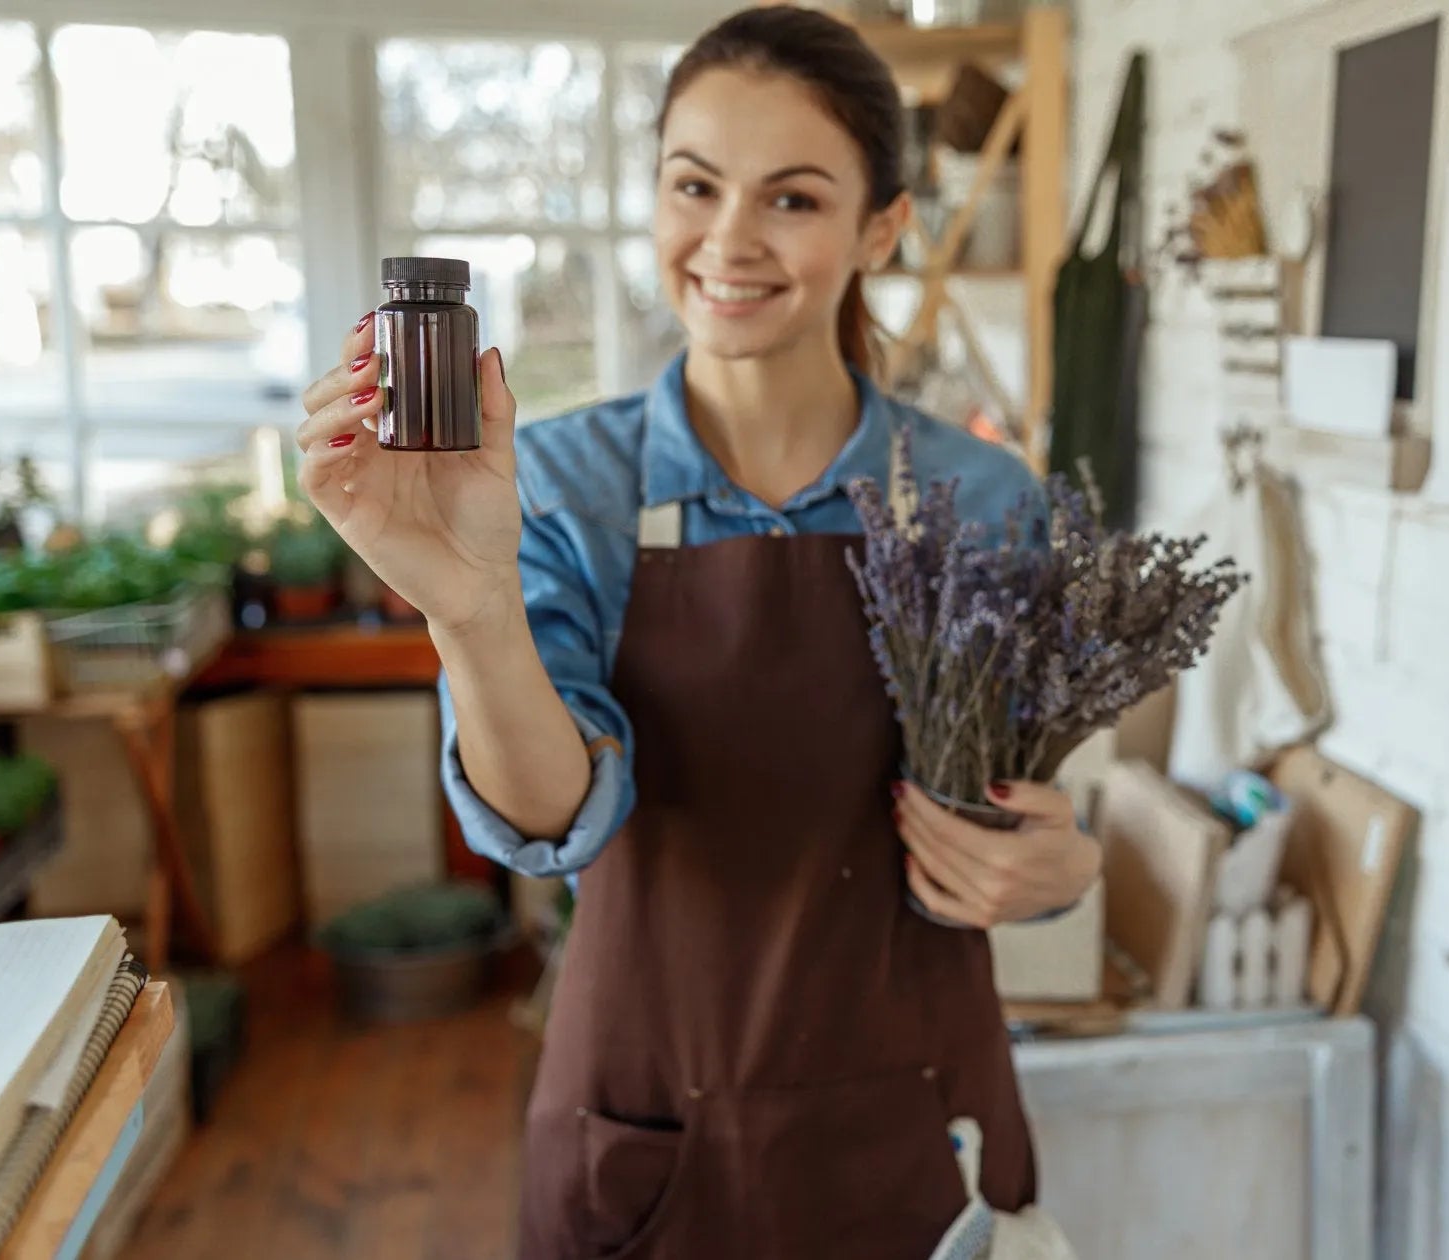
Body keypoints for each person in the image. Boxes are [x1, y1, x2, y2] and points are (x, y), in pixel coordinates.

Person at [295, 8, 1101, 1256]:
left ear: (879, 228)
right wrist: (469, 608)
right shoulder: (559, 484)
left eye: (791, 199)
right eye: (694, 185)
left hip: (919, 1124)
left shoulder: (984, 499)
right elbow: (554, 818)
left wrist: (1061, 868)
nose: (728, 240)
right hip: (648, 1126)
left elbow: (1014, 809)